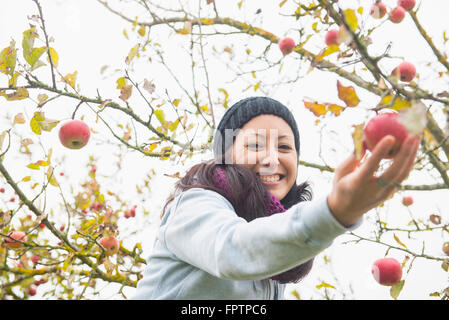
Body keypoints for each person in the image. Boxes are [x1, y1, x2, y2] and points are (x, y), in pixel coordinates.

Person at [132, 96, 420, 300]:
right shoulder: (194, 204)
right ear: (225, 156)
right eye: (255, 144)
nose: (272, 159)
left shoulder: (275, 250)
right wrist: (334, 212)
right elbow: (232, 251)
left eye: (284, 146)